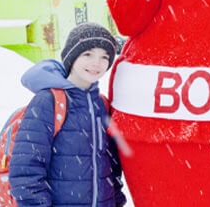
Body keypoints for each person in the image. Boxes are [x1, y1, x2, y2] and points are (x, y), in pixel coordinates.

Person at [9, 22, 125, 206]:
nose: (97, 63)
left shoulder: (102, 104)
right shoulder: (49, 101)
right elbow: (26, 172)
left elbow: (112, 169)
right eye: (88, 54)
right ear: (72, 57)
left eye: (104, 57)